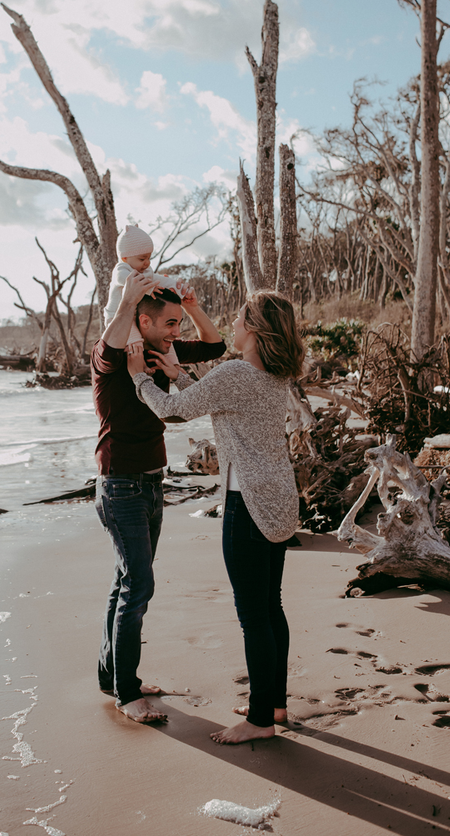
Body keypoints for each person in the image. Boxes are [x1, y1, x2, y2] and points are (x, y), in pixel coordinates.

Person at [127, 291, 304, 744]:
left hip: (247, 504)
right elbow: (218, 401)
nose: (234, 322)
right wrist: (181, 374)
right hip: (279, 497)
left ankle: (261, 720)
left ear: (255, 330)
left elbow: (173, 411)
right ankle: (275, 704)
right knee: (271, 606)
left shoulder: (235, 372)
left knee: (253, 616)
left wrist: (139, 380)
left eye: (241, 317)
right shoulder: (273, 373)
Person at [92, 269, 226, 724]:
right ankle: (127, 694)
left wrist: (189, 305)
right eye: (169, 323)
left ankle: (113, 676)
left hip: (152, 483)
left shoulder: (161, 350)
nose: (177, 332)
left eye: (178, 325)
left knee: (126, 580)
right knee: (138, 584)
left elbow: (215, 346)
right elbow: (109, 343)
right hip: (120, 485)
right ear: (144, 321)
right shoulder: (113, 356)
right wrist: (128, 299)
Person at [104, 224, 185, 368]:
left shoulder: (145, 270)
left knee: (168, 345)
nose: (147, 263)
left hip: (134, 316)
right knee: (135, 343)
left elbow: (160, 279)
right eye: (142, 259)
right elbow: (127, 279)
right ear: (125, 258)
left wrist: (178, 287)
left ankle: (175, 366)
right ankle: (141, 367)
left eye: (149, 258)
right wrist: (150, 288)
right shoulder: (121, 269)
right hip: (117, 319)